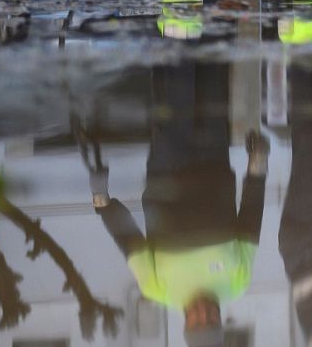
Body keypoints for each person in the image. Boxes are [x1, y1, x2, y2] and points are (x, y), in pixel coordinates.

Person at [90, 61, 269, 347]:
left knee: (177, 89)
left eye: (198, 322)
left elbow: (128, 238)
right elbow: (250, 217)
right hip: (214, 162)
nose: (205, 314)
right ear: (221, 321)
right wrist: (258, 167)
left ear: (186, 324)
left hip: (168, 167)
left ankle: (176, 28)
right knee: (212, 79)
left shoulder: (157, 289)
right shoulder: (237, 284)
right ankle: (216, 20)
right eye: (212, 321)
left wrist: (102, 202)